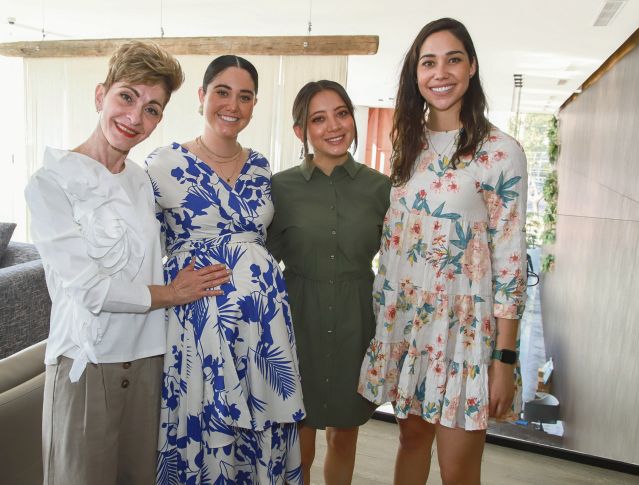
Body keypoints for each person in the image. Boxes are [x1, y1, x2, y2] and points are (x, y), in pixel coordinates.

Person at [25, 41, 232, 485]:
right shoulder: (50, 182)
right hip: (85, 362)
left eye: (152, 109)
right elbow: (89, 289)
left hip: (148, 358)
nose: (136, 117)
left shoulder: (141, 180)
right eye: (127, 97)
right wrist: (171, 293)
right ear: (100, 95)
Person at [356, 18, 527, 485]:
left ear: (471, 67)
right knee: (411, 442)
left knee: (458, 468)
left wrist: (504, 359)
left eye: (453, 59)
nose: (440, 73)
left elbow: (510, 261)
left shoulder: (501, 152)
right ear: (416, 74)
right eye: (428, 63)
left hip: (465, 336)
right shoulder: (406, 143)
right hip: (410, 327)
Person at [145, 55, 305, 485]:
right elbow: (143, 246)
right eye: (222, 92)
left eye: (245, 96)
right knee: (204, 425)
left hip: (262, 326)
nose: (233, 105)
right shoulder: (162, 164)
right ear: (201, 96)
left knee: (262, 429)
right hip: (198, 325)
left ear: (254, 105)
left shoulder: (261, 166)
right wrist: (167, 289)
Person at [266, 80, 391, 485]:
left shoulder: (381, 188)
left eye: (341, 113)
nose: (334, 126)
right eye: (318, 119)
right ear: (300, 131)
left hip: (356, 322)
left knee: (344, 435)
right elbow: (263, 260)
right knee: (298, 440)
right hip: (297, 321)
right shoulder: (279, 188)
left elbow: (398, 263)